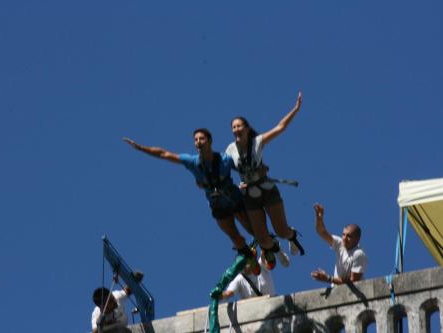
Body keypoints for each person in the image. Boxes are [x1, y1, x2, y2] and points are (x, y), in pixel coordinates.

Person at [123, 129, 259, 272]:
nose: (198, 142)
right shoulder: (192, 162)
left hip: (233, 198)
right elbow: (164, 154)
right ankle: (248, 256)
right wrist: (141, 148)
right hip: (218, 205)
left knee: (252, 228)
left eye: (201, 139)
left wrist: (251, 180)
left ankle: (267, 246)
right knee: (234, 236)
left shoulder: (225, 159)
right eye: (196, 140)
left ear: (210, 141)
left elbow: (244, 169)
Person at [225, 92, 304, 270]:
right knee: (262, 239)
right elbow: (223, 169)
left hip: (266, 189)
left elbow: (280, 127)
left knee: (281, 230)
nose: (236, 129)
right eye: (233, 127)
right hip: (249, 195)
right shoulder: (230, 150)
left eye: (239, 126)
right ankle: (275, 249)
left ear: (246, 128)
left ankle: (291, 237)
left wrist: (295, 109)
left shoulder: (257, 142)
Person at [311, 203, 367, 285]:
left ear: (357, 240)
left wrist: (328, 278)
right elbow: (322, 232)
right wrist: (319, 219)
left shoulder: (359, 254)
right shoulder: (340, 243)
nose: (344, 238)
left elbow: (354, 283)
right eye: (343, 234)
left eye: (349, 236)